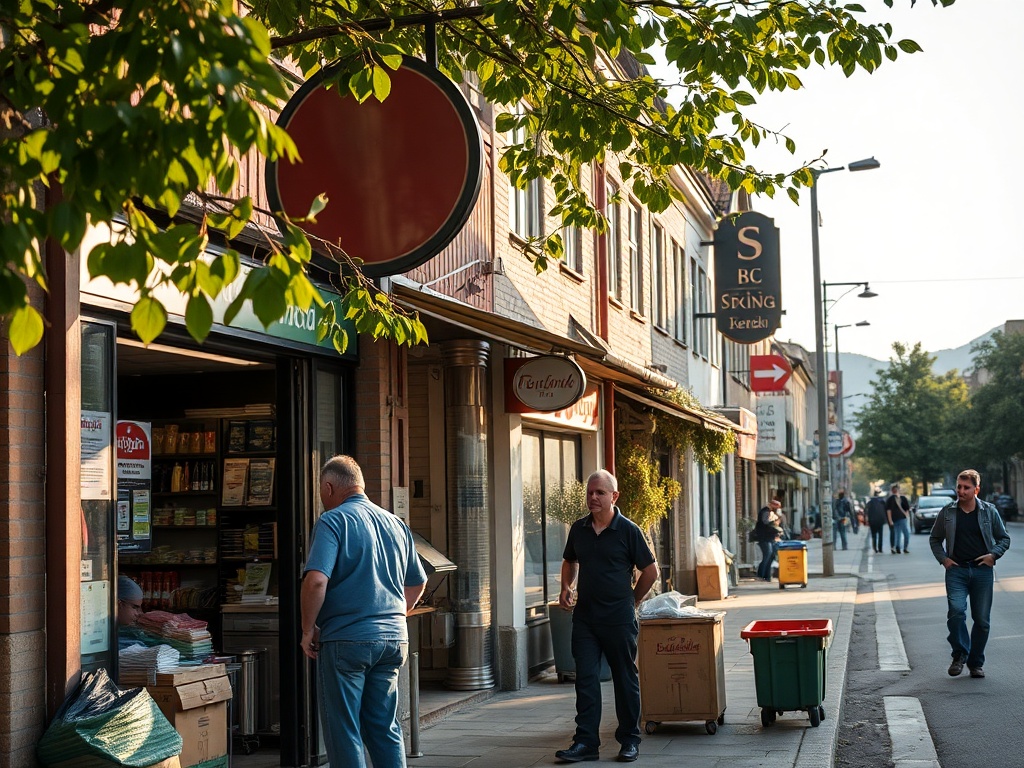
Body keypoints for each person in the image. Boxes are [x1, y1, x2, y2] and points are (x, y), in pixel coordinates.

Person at [300, 455, 427, 768]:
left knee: (344, 730)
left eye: (321, 490)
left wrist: (307, 630)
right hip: (394, 640)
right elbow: (418, 581)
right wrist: (396, 616)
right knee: (385, 727)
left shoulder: (333, 521)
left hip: (347, 640)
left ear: (329, 487)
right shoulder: (396, 524)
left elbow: (316, 581)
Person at [554, 469, 658, 763]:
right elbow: (570, 560)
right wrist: (566, 586)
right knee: (585, 680)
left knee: (625, 679)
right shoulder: (579, 529)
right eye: (590, 492)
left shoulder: (628, 530)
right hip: (585, 619)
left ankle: (629, 740)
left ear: (614, 496)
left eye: (600, 493)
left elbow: (650, 571)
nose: (593, 498)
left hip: (618, 619)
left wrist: (632, 600)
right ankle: (586, 743)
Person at [928, 469, 1010, 679]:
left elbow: (1004, 538)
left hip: (982, 571)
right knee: (956, 613)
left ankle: (975, 663)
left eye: (966, 488)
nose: (961, 491)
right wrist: (944, 560)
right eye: (959, 487)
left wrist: (993, 555)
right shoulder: (947, 512)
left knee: (982, 620)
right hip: (957, 570)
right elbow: (935, 539)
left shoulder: (989, 511)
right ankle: (960, 654)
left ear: (976, 489)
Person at [754, 499, 783, 581]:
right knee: (767, 555)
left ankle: (767, 575)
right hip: (764, 537)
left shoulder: (771, 512)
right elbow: (767, 523)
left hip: (770, 537)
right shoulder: (765, 512)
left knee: (771, 555)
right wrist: (775, 523)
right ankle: (761, 574)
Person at [886, 483, 912, 554]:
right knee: (901, 533)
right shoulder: (893, 499)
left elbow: (907, 508)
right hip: (898, 518)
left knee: (901, 533)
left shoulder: (900, 498)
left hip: (899, 519)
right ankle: (901, 547)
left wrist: (890, 520)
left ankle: (901, 547)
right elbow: (889, 510)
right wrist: (890, 520)